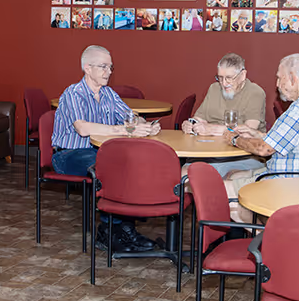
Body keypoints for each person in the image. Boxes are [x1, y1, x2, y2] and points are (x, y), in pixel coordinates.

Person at [52, 45, 161, 252]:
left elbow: (129, 116)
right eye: (103, 67)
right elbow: (83, 128)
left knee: (132, 165)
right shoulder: (73, 93)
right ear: (87, 68)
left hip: (101, 153)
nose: (108, 72)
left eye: (110, 67)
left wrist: (142, 125)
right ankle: (109, 230)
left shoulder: (109, 94)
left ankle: (126, 229)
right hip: (69, 154)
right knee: (111, 169)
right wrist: (122, 130)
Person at [221, 53, 299, 220]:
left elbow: (264, 149)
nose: (277, 85)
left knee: (218, 191)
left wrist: (234, 139)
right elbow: (294, 139)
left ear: (293, 78)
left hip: (292, 185)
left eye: (280, 79)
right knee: (233, 176)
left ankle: (271, 239)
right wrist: (257, 134)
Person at [182, 53, 266, 177]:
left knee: (200, 174)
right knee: (184, 173)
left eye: (229, 78)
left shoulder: (255, 93)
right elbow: (198, 118)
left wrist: (212, 129)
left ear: (242, 75)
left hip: (243, 154)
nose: (224, 83)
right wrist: (189, 124)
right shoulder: (214, 88)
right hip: (210, 151)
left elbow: (249, 130)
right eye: (220, 78)